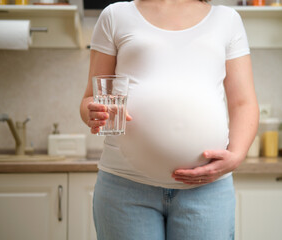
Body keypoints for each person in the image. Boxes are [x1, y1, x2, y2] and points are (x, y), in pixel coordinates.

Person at [80, 0, 259, 239]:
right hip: (125, 186)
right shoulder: (115, 15)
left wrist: (236, 156)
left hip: (207, 189)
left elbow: (243, 103)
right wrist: (93, 112)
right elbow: (90, 98)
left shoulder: (227, 19)